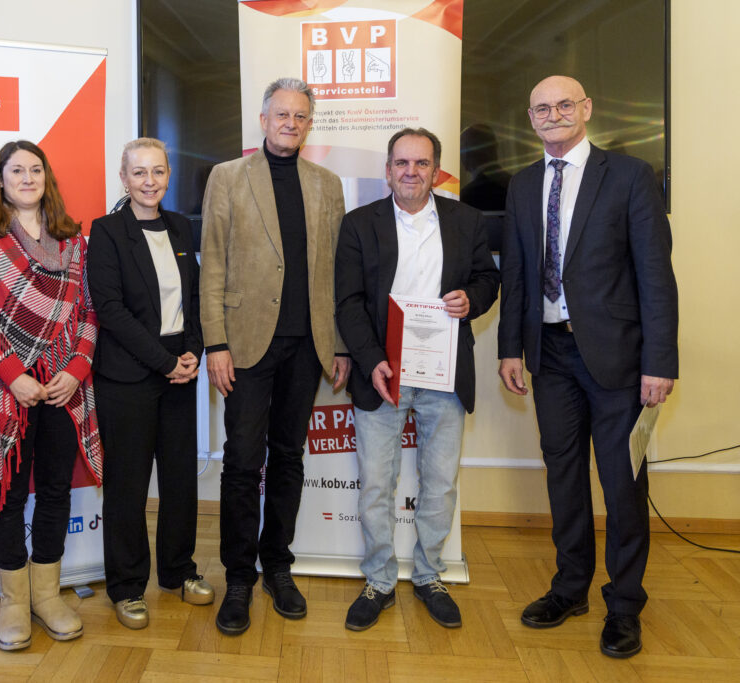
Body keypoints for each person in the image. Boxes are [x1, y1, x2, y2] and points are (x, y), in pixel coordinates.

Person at [498, 75, 678, 658]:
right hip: (549, 356)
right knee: (564, 476)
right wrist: (509, 348)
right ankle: (570, 587)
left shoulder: (628, 177)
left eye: (564, 104)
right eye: (542, 108)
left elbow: (656, 275)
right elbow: (518, 276)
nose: (554, 114)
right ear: (531, 119)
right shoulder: (523, 185)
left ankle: (624, 605)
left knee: (623, 484)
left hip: (619, 361)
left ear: (587, 109)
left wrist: (659, 360)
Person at [200, 77, 351, 635]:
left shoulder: (327, 184)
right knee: (242, 460)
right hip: (243, 344)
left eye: (300, 116)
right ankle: (238, 577)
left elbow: (336, 271)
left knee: (288, 457)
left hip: (307, 346)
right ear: (263, 120)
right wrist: (215, 341)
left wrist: (337, 344)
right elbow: (212, 262)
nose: (290, 123)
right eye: (281, 114)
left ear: (310, 124)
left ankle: (277, 566)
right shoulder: (227, 177)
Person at [335, 128, 499, 631]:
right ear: (388, 170)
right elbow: (348, 302)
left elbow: (488, 279)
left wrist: (472, 299)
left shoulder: (467, 220)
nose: (411, 171)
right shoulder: (359, 225)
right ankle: (380, 580)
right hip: (382, 372)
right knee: (377, 484)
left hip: (445, 373)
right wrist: (370, 360)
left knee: (441, 483)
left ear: (437, 170)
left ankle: (429, 575)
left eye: (421, 163)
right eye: (401, 163)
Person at [0, 140, 102, 651]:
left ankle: (47, 594)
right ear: (0, 180)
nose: (26, 178)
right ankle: (14, 601)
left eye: (35, 170)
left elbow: (87, 313)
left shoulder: (73, 240)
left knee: (57, 490)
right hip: (6, 388)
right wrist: (14, 372)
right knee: (9, 494)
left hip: (63, 385)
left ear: (47, 178)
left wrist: (78, 368)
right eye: (15, 170)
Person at [87, 137, 212, 630]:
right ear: (123, 177)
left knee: (180, 480)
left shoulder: (181, 225)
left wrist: (193, 353)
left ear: (168, 175)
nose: (149, 181)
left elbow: (197, 299)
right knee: (129, 486)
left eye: (158, 172)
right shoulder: (107, 231)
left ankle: (179, 572)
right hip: (129, 377)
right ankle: (127, 586)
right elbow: (111, 311)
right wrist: (164, 361)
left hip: (180, 369)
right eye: (139, 173)